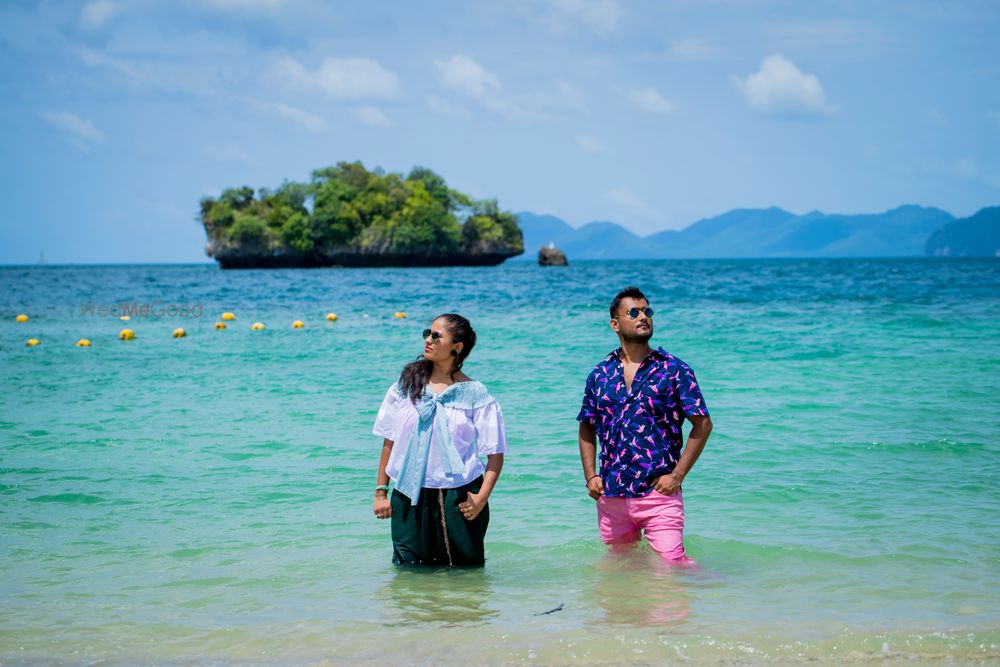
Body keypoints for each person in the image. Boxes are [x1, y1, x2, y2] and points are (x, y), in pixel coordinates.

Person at [577, 286, 713, 564]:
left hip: (658, 493)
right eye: (634, 312)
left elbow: (702, 424)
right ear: (615, 324)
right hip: (612, 494)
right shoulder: (600, 373)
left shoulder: (674, 369)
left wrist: (677, 476)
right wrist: (591, 476)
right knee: (621, 570)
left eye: (647, 311)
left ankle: (717, 594)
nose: (644, 317)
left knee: (672, 565)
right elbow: (587, 426)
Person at [372, 313, 507, 567]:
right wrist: (381, 492)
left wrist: (481, 498)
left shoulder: (476, 394)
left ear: (457, 347)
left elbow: (495, 453)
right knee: (408, 575)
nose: (428, 340)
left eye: (436, 336)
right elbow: (389, 440)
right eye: (427, 333)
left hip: (460, 496)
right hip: (407, 494)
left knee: (466, 575)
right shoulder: (405, 386)